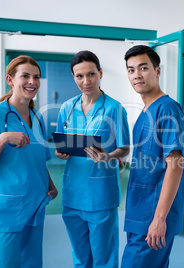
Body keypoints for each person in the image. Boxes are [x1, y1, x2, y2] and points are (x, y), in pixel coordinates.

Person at [0, 55, 58, 268]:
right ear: (10, 79)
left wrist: (51, 186)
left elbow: (39, 161)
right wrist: (2, 139)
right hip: (5, 211)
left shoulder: (37, 118)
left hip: (35, 206)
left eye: (36, 77)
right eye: (25, 76)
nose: (32, 82)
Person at [55, 50, 130, 268]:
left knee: (103, 257)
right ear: (73, 77)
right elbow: (62, 145)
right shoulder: (66, 108)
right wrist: (61, 153)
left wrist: (109, 156)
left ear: (100, 73)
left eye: (91, 74)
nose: (86, 81)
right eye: (79, 76)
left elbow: (124, 148)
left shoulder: (114, 108)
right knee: (80, 256)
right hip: (72, 193)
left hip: (100, 195)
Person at [121, 45, 184, 268]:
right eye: (131, 70)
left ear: (157, 71)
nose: (136, 75)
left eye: (143, 68)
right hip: (139, 209)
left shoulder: (167, 109)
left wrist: (159, 218)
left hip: (153, 213)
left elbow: (176, 164)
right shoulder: (144, 112)